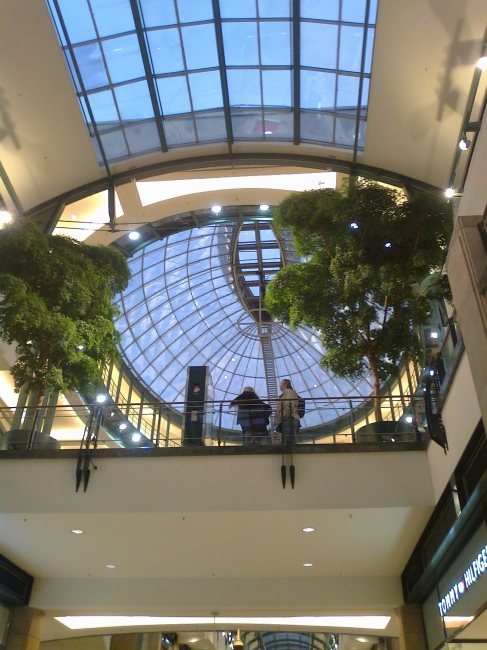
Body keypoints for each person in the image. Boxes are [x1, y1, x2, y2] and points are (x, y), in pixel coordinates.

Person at [276, 378, 299, 444]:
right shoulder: (286, 393)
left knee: (288, 440)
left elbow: (289, 405)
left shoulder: (289, 392)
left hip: (288, 419)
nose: (279, 385)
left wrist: (284, 416)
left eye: (281, 383)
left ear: (285, 384)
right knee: (287, 440)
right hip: (287, 419)